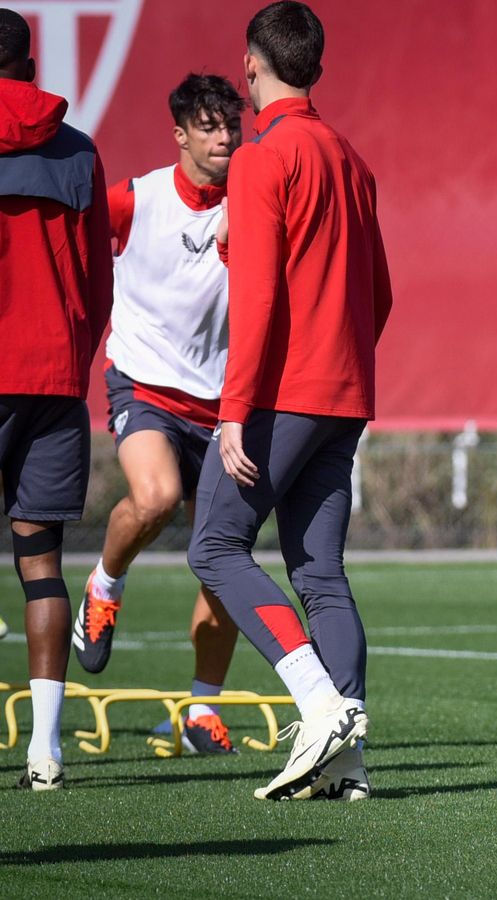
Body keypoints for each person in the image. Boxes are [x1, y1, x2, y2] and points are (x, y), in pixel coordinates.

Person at [187, 1, 393, 801]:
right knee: (320, 573)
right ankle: (349, 764)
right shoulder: (350, 157)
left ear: (250, 64)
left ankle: (318, 706)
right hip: (345, 394)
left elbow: (261, 299)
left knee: (214, 548)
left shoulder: (262, 158)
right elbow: (380, 295)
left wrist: (235, 407)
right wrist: (346, 367)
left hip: (283, 394)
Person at [72, 74, 245, 755]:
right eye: (208, 126)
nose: (225, 137)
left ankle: (203, 712)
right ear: (180, 135)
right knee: (157, 496)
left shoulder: (252, 201)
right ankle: (103, 586)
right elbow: (74, 251)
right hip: (143, 384)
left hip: (225, 405)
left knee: (223, 561)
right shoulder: (134, 199)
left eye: (230, 124)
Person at [0, 7, 114, 790]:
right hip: (54, 380)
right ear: (30, 63)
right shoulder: (77, 149)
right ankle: (46, 749)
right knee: (42, 567)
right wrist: (71, 356)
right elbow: (98, 282)